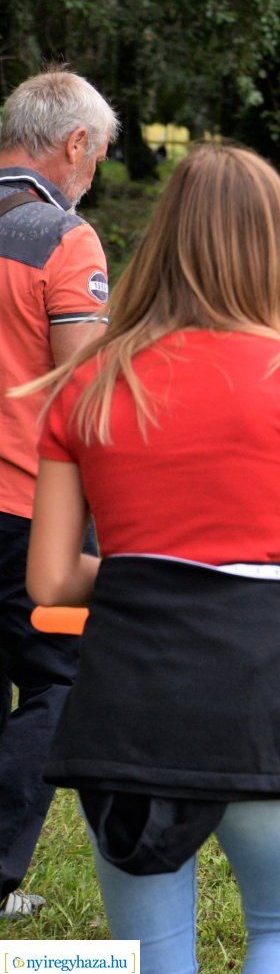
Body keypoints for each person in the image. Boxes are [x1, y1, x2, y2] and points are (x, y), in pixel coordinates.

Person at [23, 143, 280, 974]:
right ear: (277, 245)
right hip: (252, 702)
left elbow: (50, 582)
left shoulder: (88, 382)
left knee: (150, 969)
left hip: (123, 715)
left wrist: (148, 578)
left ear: (162, 238)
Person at [0, 66, 115, 920]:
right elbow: (84, 391)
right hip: (27, 504)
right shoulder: (62, 237)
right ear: (75, 144)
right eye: (99, 155)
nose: (96, 172)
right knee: (61, 679)